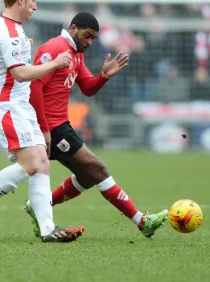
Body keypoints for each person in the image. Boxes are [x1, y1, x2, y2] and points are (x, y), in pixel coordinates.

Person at [25, 12, 168, 238]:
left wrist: (104, 76)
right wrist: (43, 129)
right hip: (51, 128)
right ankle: (142, 221)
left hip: (61, 126)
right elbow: (34, 90)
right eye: (87, 36)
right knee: (98, 169)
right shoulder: (53, 48)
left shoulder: (76, 54)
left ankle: (42, 204)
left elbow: (88, 88)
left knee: (88, 176)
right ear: (73, 28)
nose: (90, 42)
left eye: (93, 38)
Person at [0, 0, 84, 243]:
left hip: (19, 105)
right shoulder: (12, 33)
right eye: (32, 1)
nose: (35, 7)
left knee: (42, 163)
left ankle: (48, 229)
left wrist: (6, 54)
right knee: (31, 164)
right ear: (19, 1)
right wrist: (55, 64)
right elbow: (21, 73)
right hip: (7, 106)